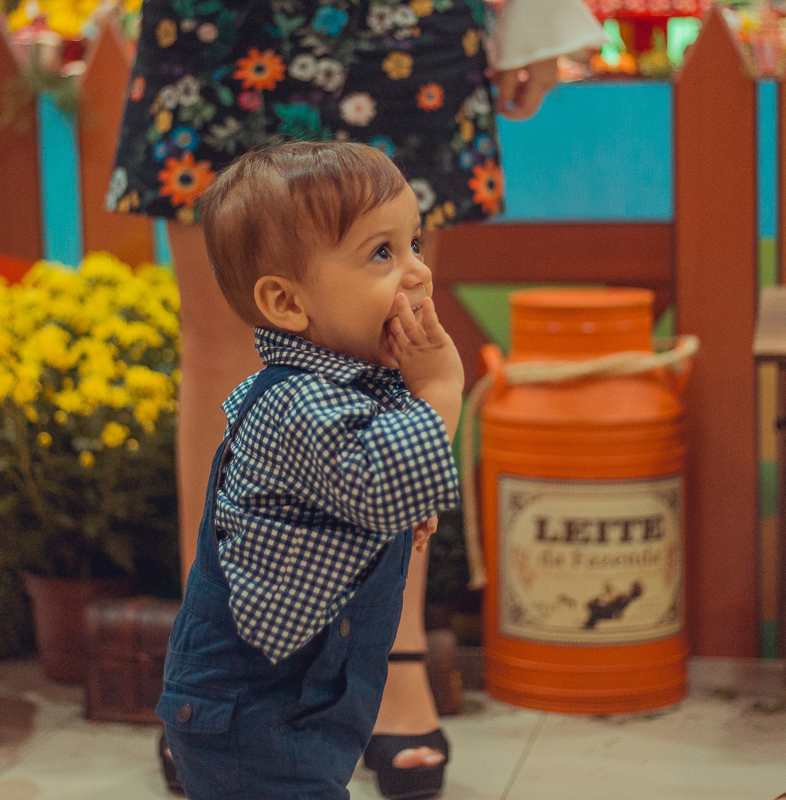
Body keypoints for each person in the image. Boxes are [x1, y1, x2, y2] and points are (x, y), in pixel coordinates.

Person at [107, 1, 605, 797]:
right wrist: (441, 392)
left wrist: (540, 22)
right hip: (225, 23)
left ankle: (388, 653)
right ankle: (243, 659)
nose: (418, 264)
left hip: (395, 20)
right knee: (225, 336)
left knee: (383, 326)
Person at [155, 140, 461, 799]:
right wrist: (439, 389)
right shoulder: (298, 405)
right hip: (253, 712)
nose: (417, 274)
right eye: (382, 254)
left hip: (299, 702)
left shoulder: (350, 388)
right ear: (288, 304)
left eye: (415, 244)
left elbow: (367, 495)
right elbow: (382, 480)